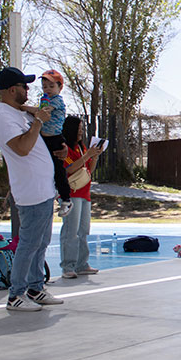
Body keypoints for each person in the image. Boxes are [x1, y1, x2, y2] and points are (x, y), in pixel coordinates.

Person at [0, 66, 65, 311]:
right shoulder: (4, 118)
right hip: (31, 191)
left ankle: (35, 287)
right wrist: (37, 122)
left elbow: (39, 131)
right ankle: (16, 294)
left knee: (41, 242)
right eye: (24, 86)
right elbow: (21, 148)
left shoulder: (18, 112)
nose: (28, 90)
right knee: (29, 244)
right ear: (12, 90)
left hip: (43, 189)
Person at [59, 116, 102, 279]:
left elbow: (89, 168)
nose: (81, 132)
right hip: (71, 193)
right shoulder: (64, 148)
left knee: (83, 230)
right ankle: (67, 266)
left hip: (85, 192)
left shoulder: (81, 147)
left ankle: (81, 264)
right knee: (71, 230)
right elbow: (69, 169)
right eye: (78, 129)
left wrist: (94, 156)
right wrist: (86, 155)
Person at [36, 69, 72, 217]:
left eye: (51, 86)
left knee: (58, 169)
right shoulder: (44, 99)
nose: (47, 90)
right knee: (45, 167)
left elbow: (43, 112)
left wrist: (23, 108)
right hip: (44, 138)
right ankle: (54, 190)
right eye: (45, 87)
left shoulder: (56, 100)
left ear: (60, 87)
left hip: (55, 138)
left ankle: (66, 199)